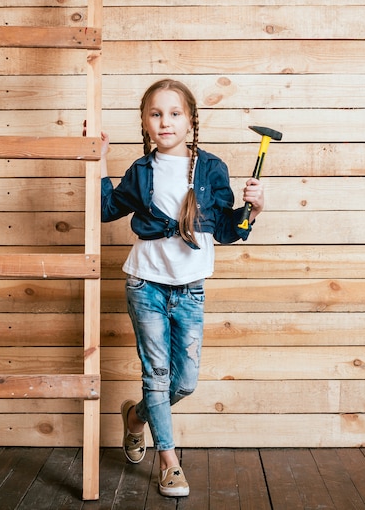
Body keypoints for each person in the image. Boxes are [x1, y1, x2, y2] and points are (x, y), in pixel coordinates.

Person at [100, 78, 265, 497]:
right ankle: (169, 462)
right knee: (156, 375)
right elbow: (105, 209)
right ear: (144, 121)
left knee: (184, 382)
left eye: (175, 113)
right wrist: (97, 161)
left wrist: (254, 209)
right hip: (145, 284)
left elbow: (228, 230)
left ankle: (136, 418)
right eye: (156, 114)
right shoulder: (141, 171)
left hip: (190, 289)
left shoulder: (211, 169)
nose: (165, 122)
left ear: (192, 120)